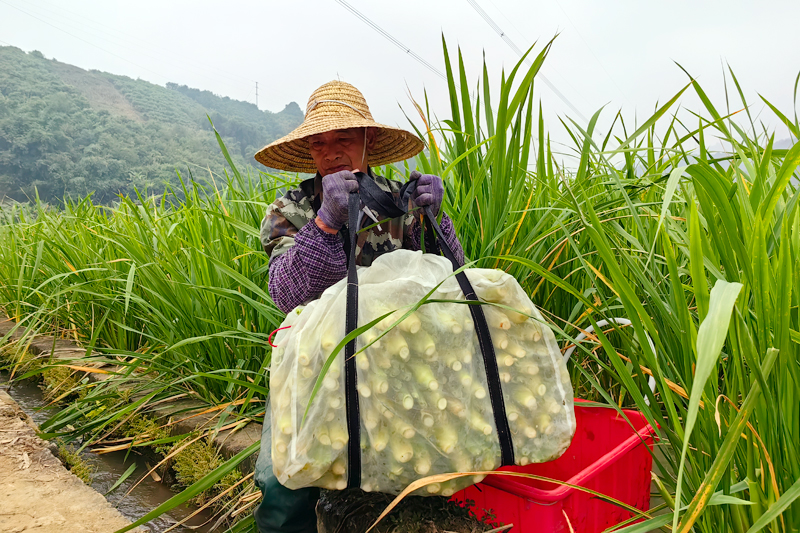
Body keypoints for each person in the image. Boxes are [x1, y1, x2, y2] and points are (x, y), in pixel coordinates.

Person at [251, 80, 465, 533]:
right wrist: (327, 222)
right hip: (313, 362)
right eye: (319, 142)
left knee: (408, 472)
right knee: (282, 485)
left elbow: (445, 280)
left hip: (394, 358)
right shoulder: (290, 209)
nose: (330, 152)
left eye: (343, 138)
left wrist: (435, 220)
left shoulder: (396, 197)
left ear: (367, 141)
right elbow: (287, 294)